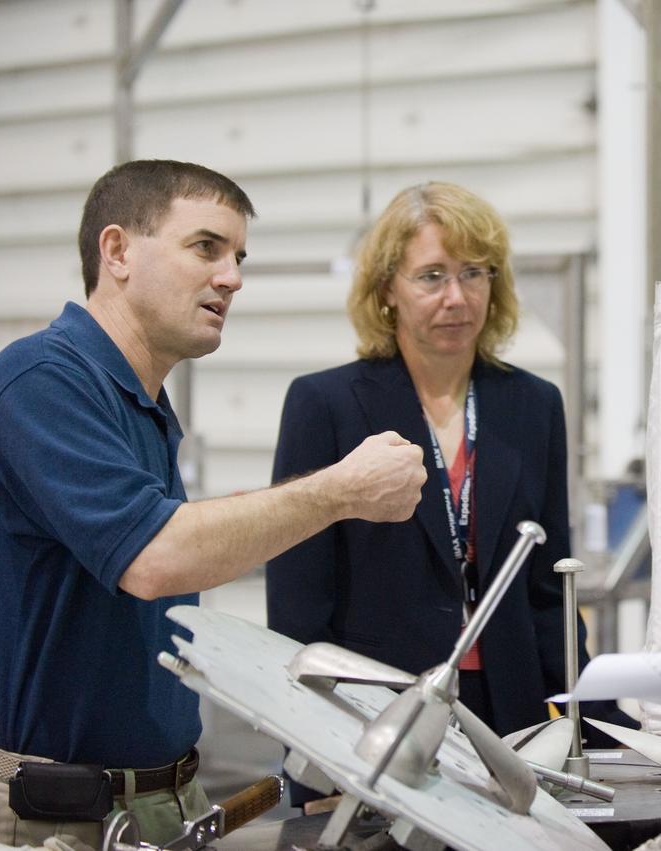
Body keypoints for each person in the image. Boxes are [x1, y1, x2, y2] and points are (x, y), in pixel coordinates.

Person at [0, 160, 427, 849]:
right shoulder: (42, 383)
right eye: (206, 247)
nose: (232, 276)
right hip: (55, 816)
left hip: (156, 799)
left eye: (238, 256)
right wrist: (341, 489)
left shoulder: (140, 405)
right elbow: (157, 556)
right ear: (116, 251)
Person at [266, 181, 633, 808]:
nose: (457, 297)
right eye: (431, 276)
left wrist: (608, 731)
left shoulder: (532, 405)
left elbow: (548, 592)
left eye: (473, 273)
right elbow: (298, 606)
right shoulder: (325, 405)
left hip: (507, 713)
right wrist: (312, 751)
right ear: (387, 289)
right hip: (375, 707)